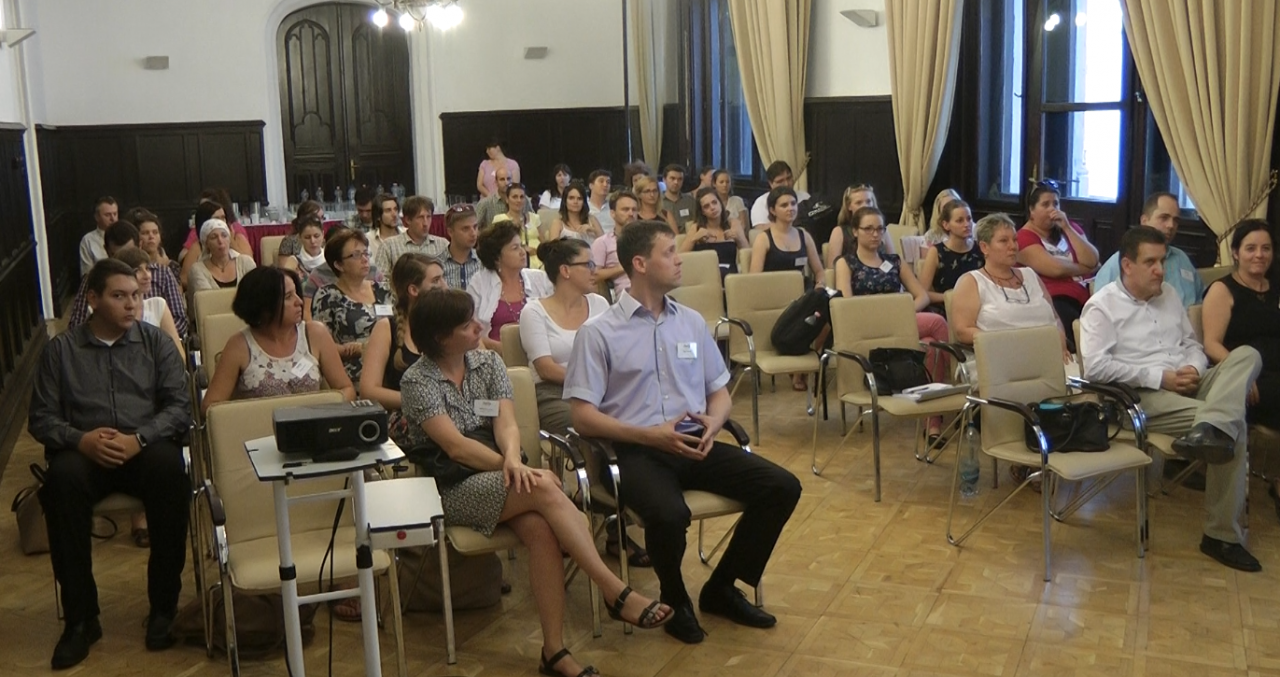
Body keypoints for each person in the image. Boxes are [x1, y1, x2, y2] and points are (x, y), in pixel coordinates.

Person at [400, 288, 673, 676]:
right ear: (442, 338)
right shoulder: (417, 381)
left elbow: (506, 423)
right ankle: (615, 590)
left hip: (505, 477)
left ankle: (554, 652)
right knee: (544, 485)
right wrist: (516, 470)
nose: (479, 327)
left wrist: (513, 460)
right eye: (467, 324)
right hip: (453, 487)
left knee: (542, 531)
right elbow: (455, 447)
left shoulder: (487, 363)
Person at [565, 220, 802, 645]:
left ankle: (722, 587)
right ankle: (675, 598)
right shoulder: (599, 332)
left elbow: (719, 391)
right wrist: (650, 435)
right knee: (669, 514)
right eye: (670, 252)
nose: (680, 260)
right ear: (640, 264)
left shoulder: (690, 321)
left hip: (695, 441)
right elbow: (582, 417)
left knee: (782, 487)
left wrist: (715, 421)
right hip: (635, 451)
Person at [30, 259, 192, 669]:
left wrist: (139, 439)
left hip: (143, 448)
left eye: (135, 295)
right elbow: (41, 418)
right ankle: (81, 620)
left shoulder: (155, 343)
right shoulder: (61, 351)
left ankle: (164, 609)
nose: (131, 304)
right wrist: (80, 440)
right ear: (93, 300)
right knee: (62, 480)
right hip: (86, 452)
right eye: (119, 296)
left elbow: (179, 407)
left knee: (170, 470)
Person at [1082, 225, 1262, 571]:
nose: (1160, 270)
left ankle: (1210, 426)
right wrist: (1159, 377)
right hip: (1140, 397)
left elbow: (1192, 344)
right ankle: (1220, 536)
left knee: (1247, 356)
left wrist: (1193, 367)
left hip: (1187, 381)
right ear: (1127, 265)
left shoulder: (1168, 295)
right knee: (1233, 427)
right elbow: (1096, 368)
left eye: (1162, 261)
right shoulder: (1102, 307)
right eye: (1150, 262)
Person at [836, 206, 951, 440]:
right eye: (868, 229)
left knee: (931, 344)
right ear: (855, 231)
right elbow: (846, 304)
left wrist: (901, 314)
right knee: (937, 323)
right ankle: (950, 389)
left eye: (880, 229)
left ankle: (932, 419)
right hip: (867, 324)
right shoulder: (846, 263)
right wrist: (889, 313)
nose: (875, 234)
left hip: (899, 322)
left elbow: (922, 296)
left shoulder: (894, 261)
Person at [1200, 220, 1280, 521]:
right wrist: (1243, 375)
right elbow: (1211, 344)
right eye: (1251, 248)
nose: (1259, 255)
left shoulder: (1275, 288)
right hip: (1250, 379)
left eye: (1266, 248)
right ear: (1235, 253)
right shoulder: (1223, 290)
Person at [202, 266, 354, 410]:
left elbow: (346, 389)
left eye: (296, 293)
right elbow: (210, 407)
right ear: (265, 306)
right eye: (288, 297)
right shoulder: (239, 346)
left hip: (313, 424)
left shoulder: (315, 334)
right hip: (260, 426)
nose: (299, 302)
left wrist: (322, 412)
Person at [519, 239, 609, 435]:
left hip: (602, 390)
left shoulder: (600, 304)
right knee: (597, 422)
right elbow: (546, 369)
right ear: (565, 271)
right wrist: (592, 382)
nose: (595, 271)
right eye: (588, 264)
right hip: (554, 392)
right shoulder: (534, 312)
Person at [950, 213, 1070, 358]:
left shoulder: (1030, 275)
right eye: (1003, 241)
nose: (1013, 246)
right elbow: (962, 331)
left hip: (1048, 356)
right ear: (984, 247)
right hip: (1000, 360)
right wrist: (1009, 344)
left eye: (1015, 240)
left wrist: (1061, 344)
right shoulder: (971, 281)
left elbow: (1055, 319)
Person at [359, 254, 447, 448]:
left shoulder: (453, 325)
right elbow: (368, 391)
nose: (445, 287)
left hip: (452, 413)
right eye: (436, 281)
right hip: (408, 418)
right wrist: (424, 401)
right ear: (413, 290)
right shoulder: (387, 328)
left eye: (443, 278)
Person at [69, 220, 188, 338]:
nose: (122, 263)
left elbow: (180, 321)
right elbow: (76, 326)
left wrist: (154, 339)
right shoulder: (94, 279)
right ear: (107, 251)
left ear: (139, 246)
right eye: (116, 256)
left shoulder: (162, 275)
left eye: (128, 255)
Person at [1016, 181, 1099, 350]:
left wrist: (1067, 228)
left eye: (1055, 203)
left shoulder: (1070, 227)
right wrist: (1087, 268)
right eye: (1045, 204)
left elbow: (1093, 259)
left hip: (1089, 293)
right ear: (1032, 210)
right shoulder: (1023, 237)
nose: (1052, 209)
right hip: (1056, 298)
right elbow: (1056, 269)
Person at [1093, 192, 1204, 307]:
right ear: (1144, 221)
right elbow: (1101, 309)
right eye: (1164, 218)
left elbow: (1202, 300)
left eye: (1175, 220)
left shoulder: (1181, 258)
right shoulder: (1121, 263)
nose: (1171, 225)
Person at [311, 228, 393, 384]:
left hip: (391, 367)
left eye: (366, 253)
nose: (365, 259)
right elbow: (322, 346)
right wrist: (355, 349)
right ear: (339, 265)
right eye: (356, 255)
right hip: (355, 372)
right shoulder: (327, 296)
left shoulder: (384, 289)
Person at [468, 221, 554, 350]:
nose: (523, 252)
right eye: (515, 248)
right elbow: (471, 330)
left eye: (521, 246)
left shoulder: (540, 278)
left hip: (540, 351)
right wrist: (506, 351)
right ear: (497, 258)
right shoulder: (479, 282)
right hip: (494, 353)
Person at [748, 186, 825, 287]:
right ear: (773, 210)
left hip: (801, 290)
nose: (790, 208)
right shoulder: (763, 239)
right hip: (772, 290)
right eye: (784, 205)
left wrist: (820, 284)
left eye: (793, 204)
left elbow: (819, 271)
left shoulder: (804, 235)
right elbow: (754, 278)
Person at [114, 248, 183, 358]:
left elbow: (179, 356)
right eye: (138, 270)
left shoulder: (158, 305)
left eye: (147, 268)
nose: (147, 275)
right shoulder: (113, 311)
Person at [917, 199, 983, 310]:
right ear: (946, 225)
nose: (967, 224)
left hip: (978, 306)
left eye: (969, 219)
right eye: (959, 221)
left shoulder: (980, 248)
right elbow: (922, 293)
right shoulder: (936, 252)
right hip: (946, 307)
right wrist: (951, 297)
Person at [179, 191, 254, 279]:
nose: (221, 222)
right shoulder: (198, 247)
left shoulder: (238, 238)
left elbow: (251, 266)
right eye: (216, 218)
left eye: (223, 218)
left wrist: (231, 241)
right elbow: (184, 278)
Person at [680, 186, 749, 277]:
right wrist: (694, 239)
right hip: (705, 276)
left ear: (720, 203)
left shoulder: (733, 223)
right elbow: (680, 256)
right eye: (706, 206)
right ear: (702, 212)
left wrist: (738, 239)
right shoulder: (696, 227)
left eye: (714, 202)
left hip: (730, 275)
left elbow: (748, 254)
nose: (712, 208)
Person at [373, 195, 447, 279]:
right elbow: (380, 281)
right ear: (408, 220)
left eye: (428, 217)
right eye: (420, 217)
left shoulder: (443, 245)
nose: (425, 223)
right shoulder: (389, 246)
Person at [186, 219, 257, 293]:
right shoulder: (198, 270)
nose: (220, 241)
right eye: (214, 237)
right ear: (206, 244)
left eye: (224, 235)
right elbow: (205, 298)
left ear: (229, 239)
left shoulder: (246, 263)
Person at [592, 190, 640, 297]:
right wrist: (624, 266)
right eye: (625, 209)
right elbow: (594, 275)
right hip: (628, 292)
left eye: (634, 210)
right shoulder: (602, 242)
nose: (631, 213)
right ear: (613, 213)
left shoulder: (648, 238)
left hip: (655, 287)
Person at [825, 184, 878, 268]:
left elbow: (893, 262)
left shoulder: (881, 229)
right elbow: (831, 268)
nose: (865, 206)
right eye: (859, 203)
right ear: (849, 206)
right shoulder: (839, 231)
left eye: (868, 201)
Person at [749, 161, 810, 228]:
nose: (786, 184)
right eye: (780, 181)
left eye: (789, 178)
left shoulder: (805, 197)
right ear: (771, 183)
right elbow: (760, 228)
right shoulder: (761, 202)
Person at [491, 182, 541, 264]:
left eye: (522, 197)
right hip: (515, 260)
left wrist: (537, 251)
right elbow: (497, 245)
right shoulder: (500, 219)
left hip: (538, 258)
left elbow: (544, 243)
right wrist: (521, 248)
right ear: (507, 199)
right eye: (515, 197)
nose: (519, 200)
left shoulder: (534, 217)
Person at [130, 208, 181, 287]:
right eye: (145, 233)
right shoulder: (130, 266)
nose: (151, 236)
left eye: (155, 232)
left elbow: (178, 292)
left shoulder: (172, 266)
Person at [440, 204, 483, 291]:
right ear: (450, 232)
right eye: (465, 229)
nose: (473, 233)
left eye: (475, 227)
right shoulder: (438, 264)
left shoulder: (483, 263)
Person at [78, 196, 119, 277]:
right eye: (107, 215)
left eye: (115, 214)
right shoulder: (88, 240)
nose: (113, 219)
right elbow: (87, 275)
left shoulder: (126, 236)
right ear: (97, 217)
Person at [366, 193, 404, 267]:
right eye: (388, 211)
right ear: (378, 216)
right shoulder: (368, 240)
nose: (394, 214)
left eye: (395, 209)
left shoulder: (407, 234)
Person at [660, 164, 697, 231]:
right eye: (672, 178)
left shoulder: (690, 201)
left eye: (680, 179)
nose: (676, 182)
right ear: (664, 180)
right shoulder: (658, 201)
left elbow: (697, 221)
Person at [587, 169, 615, 233]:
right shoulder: (584, 206)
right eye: (601, 181)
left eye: (608, 182)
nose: (605, 185)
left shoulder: (613, 206)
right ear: (591, 185)